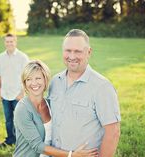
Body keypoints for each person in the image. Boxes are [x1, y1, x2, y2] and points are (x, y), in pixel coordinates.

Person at [48, 29, 121, 157]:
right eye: (68, 50)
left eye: (78, 51)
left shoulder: (102, 87)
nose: (71, 56)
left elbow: (113, 132)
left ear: (89, 52)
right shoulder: (55, 81)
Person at [13, 60, 98, 157]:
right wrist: (71, 155)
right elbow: (37, 146)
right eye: (28, 79)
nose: (34, 83)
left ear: (45, 80)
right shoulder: (23, 109)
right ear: (24, 83)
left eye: (38, 78)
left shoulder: (50, 103)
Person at [0, 33, 29, 147]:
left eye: (11, 41)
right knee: (8, 119)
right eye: (7, 41)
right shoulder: (1, 57)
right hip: (5, 94)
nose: (9, 43)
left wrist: (22, 92)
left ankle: (21, 142)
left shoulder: (22, 57)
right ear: (5, 42)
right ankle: (10, 139)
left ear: (15, 42)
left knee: (20, 120)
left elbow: (27, 76)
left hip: (18, 94)